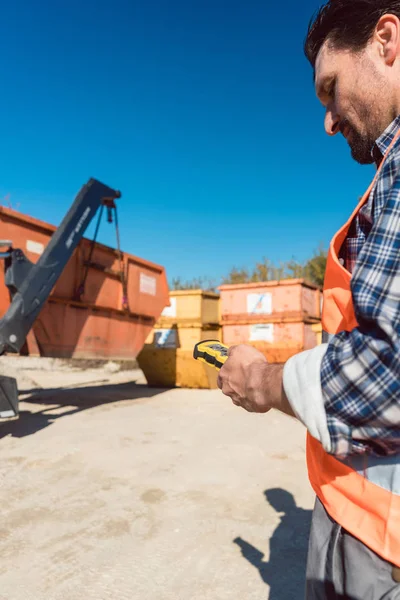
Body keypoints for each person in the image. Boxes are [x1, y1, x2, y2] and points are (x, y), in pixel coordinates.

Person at [217, 1, 400, 598]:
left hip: (380, 538)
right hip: (355, 511)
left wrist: (264, 383)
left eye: (331, 88)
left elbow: (389, 367)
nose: (327, 119)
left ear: (386, 41)